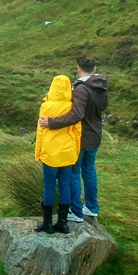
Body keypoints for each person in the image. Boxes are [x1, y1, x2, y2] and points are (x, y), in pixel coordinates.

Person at [39, 55, 108, 222]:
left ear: (78, 69)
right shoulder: (101, 87)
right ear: (95, 69)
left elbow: (76, 115)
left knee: (74, 174)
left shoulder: (81, 89)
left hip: (81, 138)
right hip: (96, 135)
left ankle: (76, 211)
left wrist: (51, 122)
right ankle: (91, 207)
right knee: (89, 171)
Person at [34, 74, 82, 234]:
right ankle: (63, 223)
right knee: (65, 185)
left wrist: (38, 152)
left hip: (50, 154)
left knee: (49, 186)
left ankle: (47, 224)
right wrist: (76, 153)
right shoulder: (72, 107)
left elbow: (40, 132)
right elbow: (77, 132)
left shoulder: (46, 107)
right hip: (67, 153)